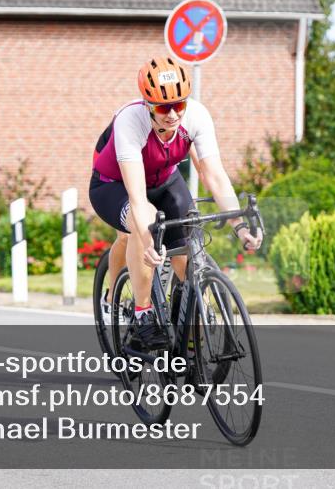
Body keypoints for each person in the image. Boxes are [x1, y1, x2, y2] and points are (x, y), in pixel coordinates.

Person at [89, 56, 262, 349]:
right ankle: (142, 314)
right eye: (162, 107)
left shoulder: (196, 115)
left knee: (185, 252)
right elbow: (137, 195)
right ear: (147, 104)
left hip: (165, 180)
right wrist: (147, 239)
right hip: (113, 183)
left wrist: (239, 224)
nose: (172, 114)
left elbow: (214, 175)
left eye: (178, 105)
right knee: (139, 225)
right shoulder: (131, 120)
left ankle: (191, 334)